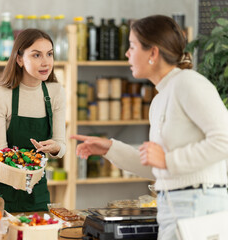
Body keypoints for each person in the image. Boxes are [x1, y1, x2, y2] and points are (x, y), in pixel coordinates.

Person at [72, 15, 228, 240]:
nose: (127, 53)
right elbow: (157, 168)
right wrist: (110, 149)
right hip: (174, 209)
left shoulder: (189, 83)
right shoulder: (160, 98)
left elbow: (224, 139)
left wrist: (168, 160)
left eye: (132, 46)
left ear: (153, 53)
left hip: (198, 208)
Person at [0, 29, 66, 212]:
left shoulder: (56, 92)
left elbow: (61, 144)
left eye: (49, 54)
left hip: (35, 186)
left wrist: (55, 148)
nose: (45, 62)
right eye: (36, 55)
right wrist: (19, 175)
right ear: (19, 59)